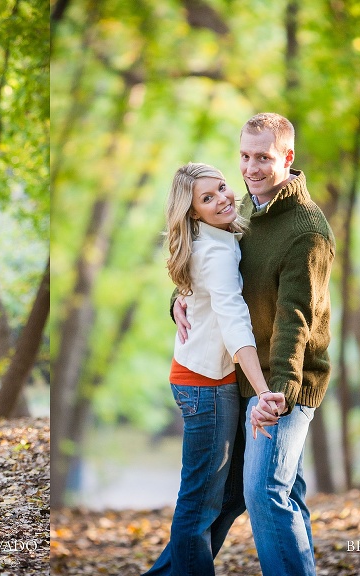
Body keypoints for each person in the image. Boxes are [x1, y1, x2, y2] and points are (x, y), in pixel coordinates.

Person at [169, 113, 335, 575]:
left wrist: (275, 395)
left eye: (263, 157)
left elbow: (294, 323)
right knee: (278, 492)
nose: (251, 168)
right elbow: (213, 270)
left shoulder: (307, 231)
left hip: (284, 385)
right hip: (245, 380)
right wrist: (179, 299)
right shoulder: (243, 209)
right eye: (244, 156)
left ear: (287, 157)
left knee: (264, 494)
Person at [142, 163, 285, 576]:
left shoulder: (221, 232)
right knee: (199, 502)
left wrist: (178, 300)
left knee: (233, 493)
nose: (223, 198)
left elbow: (195, 292)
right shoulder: (216, 251)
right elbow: (233, 321)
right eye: (207, 198)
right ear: (193, 213)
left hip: (205, 379)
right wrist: (262, 390)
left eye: (222, 187)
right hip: (207, 386)